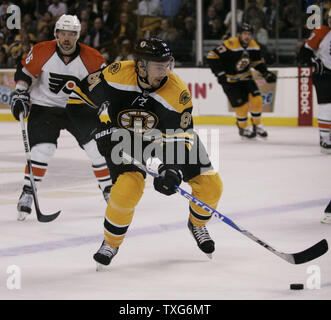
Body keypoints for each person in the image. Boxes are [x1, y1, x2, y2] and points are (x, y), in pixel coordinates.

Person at [66, 37, 223, 267]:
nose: (165, 71)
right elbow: (77, 99)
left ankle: (197, 224)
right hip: (123, 137)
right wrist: (96, 130)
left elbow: (181, 136)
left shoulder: (177, 92)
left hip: (164, 137)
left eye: (167, 64)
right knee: (128, 187)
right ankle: (111, 242)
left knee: (211, 186)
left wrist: (172, 170)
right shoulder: (116, 74)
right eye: (159, 66)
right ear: (141, 65)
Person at [10, 14, 112, 221]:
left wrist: (106, 102)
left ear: (78, 35)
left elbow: (104, 84)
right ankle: (28, 192)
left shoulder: (92, 57)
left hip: (79, 108)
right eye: (63, 33)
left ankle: (109, 190)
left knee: (97, 149)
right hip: (45, 106)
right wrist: (21, 91)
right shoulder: (42, 50)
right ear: (56, 33)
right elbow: (25, 72)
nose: (67, 38)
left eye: (72, 34)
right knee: (42, 150)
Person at [206, 22, 276, 139]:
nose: (247, 36)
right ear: (239, 34)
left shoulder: (254, 46)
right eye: (244, 34)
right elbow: (211, 56)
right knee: (242, 106)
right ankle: (243, 128)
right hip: (230, 81)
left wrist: (265, 73)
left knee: (257, 100)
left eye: (249, 34)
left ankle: (257, 125)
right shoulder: (231, 44)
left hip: (245, 77)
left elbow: (256, 62)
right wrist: (220, 74)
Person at [298, 10, 331, 154]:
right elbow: (304, 53)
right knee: (327, 107)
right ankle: (325, 138)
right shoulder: (321, 31)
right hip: (323, 75)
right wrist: (315, 62)